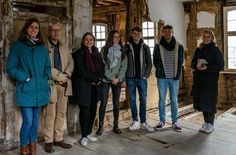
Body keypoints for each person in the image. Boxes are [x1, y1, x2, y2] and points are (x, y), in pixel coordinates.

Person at [6, 17, 51, 155]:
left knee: (35, 123)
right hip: (26, 90)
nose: (34, 30)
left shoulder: (42, 48)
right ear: (26, 28)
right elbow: (11, 67)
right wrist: (24, 77)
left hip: (40, 90)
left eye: (36, 27)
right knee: (28, 122)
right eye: (31, 27)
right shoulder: (18, 46)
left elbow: (48, 67)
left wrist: (45, 77)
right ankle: (24, 149)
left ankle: (33, 150)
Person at [44, 23, 74, 153]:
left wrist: (66, 75)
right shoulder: (44, 47)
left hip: (64, 85)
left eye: (58, 30)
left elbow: (71, 63)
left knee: (61, 113)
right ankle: (48, 141)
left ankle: (58, 138)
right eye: (53, 30)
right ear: (49, 32)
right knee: (50, 114)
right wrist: (60, 76)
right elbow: (45, 66)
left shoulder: (64, 47)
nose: (56, 33)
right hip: (51, 84)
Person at [72, 32, 104, 146]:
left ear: (94, 41)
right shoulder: (79, 53)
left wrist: (99, 77)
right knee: (85, 111)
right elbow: (81, 70)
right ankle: (84, 135)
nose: (89, 41)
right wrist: (94, 78)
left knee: (92, 111)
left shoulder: (97, 53)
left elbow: (102, 67)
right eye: (86, 39)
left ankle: (89, 132)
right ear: (83, 41)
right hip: (84, 87)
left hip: (95, 87)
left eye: (91, 39)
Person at [191, 30, 224, 134]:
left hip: (210, 82)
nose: (206, 38)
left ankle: (211, 124)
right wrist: (196, 65)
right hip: (199, 81)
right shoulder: (199, 49)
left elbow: (220, 66)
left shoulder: (215, 50)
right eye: (204, 37)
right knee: (202, 103)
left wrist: (207, 67)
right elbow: (192, 63)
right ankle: (206, 123)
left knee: (210, 102)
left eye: (208, 37)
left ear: (212, 38)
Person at [153, 25, 184, 132]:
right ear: (162, 33)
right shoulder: (158, 46)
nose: (167, 33)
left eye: (169, 31)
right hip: (162, 77)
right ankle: (162, 120)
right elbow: (155, 61)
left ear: (172, 32)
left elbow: (181, 62)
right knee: (162, 100)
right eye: (165, 31)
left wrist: (178, 75)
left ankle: (175, 121)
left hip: (174, 77)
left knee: (174, 100)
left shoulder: (179, 46)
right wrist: (161, 71)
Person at [96, 30, 127, 136]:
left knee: (116, 103)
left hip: (117, 81)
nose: (117, 39)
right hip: (106, 80)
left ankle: (116, 126)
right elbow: (102, 66)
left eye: (118, 37)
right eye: (114, 37)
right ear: (110, 38)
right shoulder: (104, 50)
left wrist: (118, 78)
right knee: (104, 103)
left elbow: (124, 66)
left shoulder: (122, 50)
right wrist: (111, 78)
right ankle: (100, 127)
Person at [125, 27, 154, 132]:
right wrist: (124, 78)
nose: (136, 35)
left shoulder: (145, 47)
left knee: (143, 100)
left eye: (138, 33)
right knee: (132, 100)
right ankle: (135, 121)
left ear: (141, 35)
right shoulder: (126, 47)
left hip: (142, 79)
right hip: (130, 78)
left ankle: (143, 122)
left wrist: (146, 75)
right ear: (132, 34)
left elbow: (149, 63)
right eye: (135, 33)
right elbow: (123, 64)